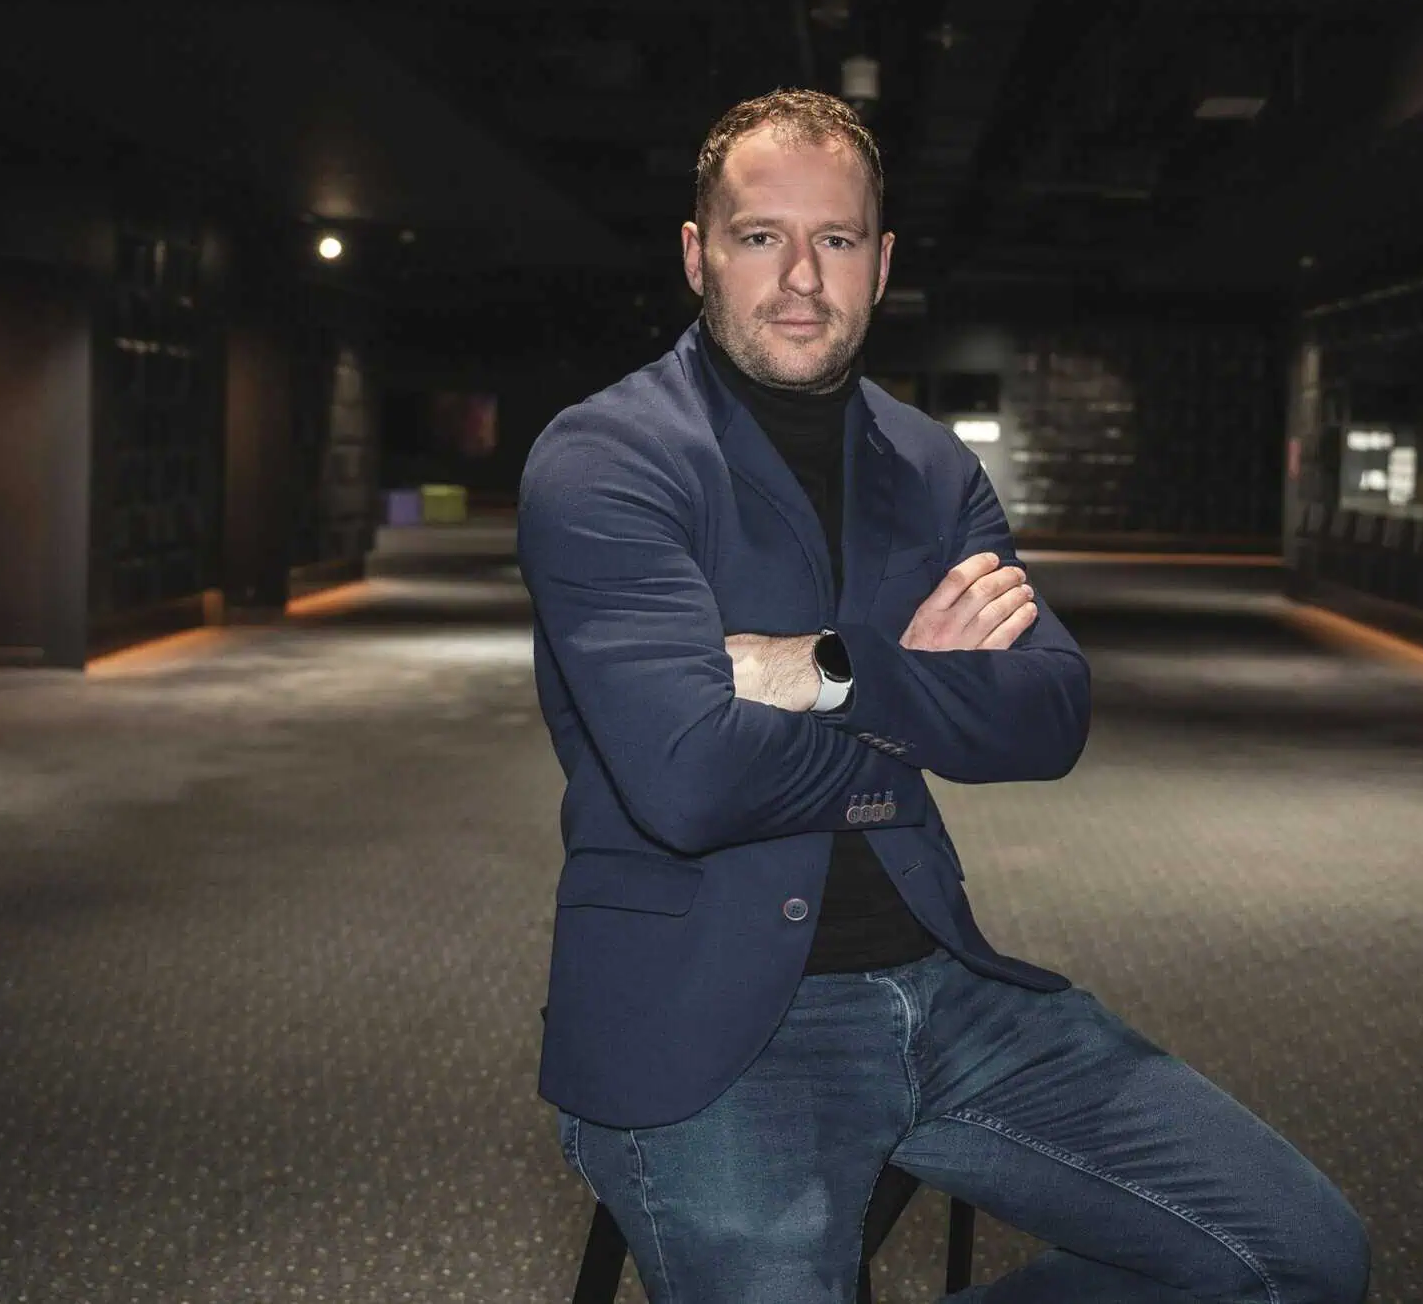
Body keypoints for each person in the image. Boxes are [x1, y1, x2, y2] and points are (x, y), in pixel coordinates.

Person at [519, 89, 1369, 1302]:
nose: (800, 276)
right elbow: (687, 779)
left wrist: (830, 669)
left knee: (1299, 1257)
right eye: (760, 236)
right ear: (698, 255)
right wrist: (913, 713)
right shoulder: (606, 458)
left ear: (881, 263)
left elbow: (1048, 711)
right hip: (704, 1024)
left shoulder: (927, 465)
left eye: (837, 238)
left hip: (942, 984)